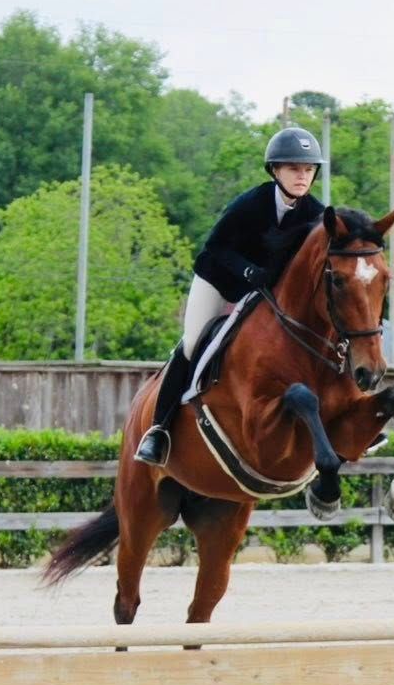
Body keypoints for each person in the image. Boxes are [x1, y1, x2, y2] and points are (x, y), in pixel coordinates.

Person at [134, 126, 327, 466]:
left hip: (263, 294)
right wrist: (248, 271)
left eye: (308, 169)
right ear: (275, 171)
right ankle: (158, 430)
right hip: (219, 281)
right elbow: (215, 248)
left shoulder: (315, 213)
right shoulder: (251, 204)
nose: (302, 176)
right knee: (193, 343)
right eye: (294, 168)